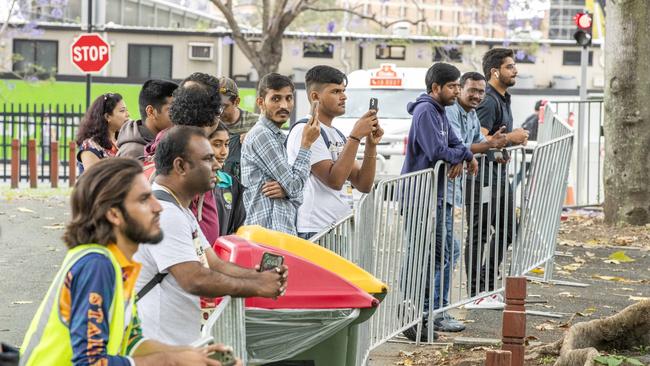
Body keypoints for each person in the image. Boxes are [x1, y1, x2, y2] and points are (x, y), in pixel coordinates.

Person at [20, 158, 236, 366]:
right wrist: (171, 360)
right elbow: (89, 362)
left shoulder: (119, 264)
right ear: (114, 214)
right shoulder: (96, 266)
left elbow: (132, 344)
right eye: (144, 199)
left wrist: (197, 354)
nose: (158, 207)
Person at [134, 126, 287, 345]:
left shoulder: (180, 210)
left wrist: (260, 277)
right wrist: (257, 286)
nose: (216, 165)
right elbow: (194, 278)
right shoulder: (167, 214)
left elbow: (214, 263)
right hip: (158, 346)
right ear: (180, 166)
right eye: (207, 159)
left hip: (175, 346)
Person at [400, 62, 477, 342]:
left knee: (446, 251)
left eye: (458, 85)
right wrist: (459, 156)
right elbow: (436, 151)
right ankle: (415, 309)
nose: (457, 91)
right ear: (435, 88)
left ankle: (432, 309)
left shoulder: (442, 112)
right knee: (425, 254)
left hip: (439, 196)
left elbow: (458, 145)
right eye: (453, 86)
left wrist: (462, 156)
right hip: (421, 197)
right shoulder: (425, 111)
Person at [286, 65, 383, 239]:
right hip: (316, 229)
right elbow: (335, 180)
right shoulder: (306, 129)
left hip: (338, 228)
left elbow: (363, 184)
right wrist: (355, 137)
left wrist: (370, 144)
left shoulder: (336, 133)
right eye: (336, 91)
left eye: (343, 91)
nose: (344, 96)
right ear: (315, 96)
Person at [465, 48, 529, 310]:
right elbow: (477, 139)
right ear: (495, 71)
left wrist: (502, 151)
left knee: (507, 230)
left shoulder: (503, 98)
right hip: (482, 179)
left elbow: (492, 142)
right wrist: (510, 138)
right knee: (479, 233)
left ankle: (488, 283)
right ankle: (475, 292)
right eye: (510, 67)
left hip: (498, 175)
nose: (515, 71)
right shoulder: (488, 100)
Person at [445, 71, 508, 327]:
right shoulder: (451, 112)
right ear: (459, 88)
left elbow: (479, 142)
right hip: (445, 189)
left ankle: (478, 291)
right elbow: (460, 145)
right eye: (472, 90)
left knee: (452, 249)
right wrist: (490, 146)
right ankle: (465, 297)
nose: (477, 96)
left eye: (481, 92)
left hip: (458, 188)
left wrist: (496, 148)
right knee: (450, 249)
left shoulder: (471, 113)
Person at [241, 73, 321, 235]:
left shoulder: (277, 136)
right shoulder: (262, 135)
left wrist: (289, 192)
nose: (284, 105)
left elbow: (294, 191)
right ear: (261, 102)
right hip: (267, 234)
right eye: (276, 99)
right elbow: (294, 186)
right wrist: (306, 144)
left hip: (279, 232)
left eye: (289, 98)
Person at [117, 79, 178, 160]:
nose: (179, 116)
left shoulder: (168, 142)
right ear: (151, 111)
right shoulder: (132, 153)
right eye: (173, 110)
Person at [207, 122, 246, 236]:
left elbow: (237, 229)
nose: (224, 152)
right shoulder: (190, 184)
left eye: (227, 144)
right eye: (217, 144)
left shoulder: (231, 184)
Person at [217, 76, 259, 180]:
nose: (219, 111)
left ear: (237, 101)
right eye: (215, 105)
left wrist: (254, 139)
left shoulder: (255, 123)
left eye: (224, 106)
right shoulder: (209, 123)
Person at [76, 93, 129, 174]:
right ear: (107, 116)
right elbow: (95, 179)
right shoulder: (90, 146)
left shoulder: (121, 141)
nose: (128, 114)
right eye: (122, 111)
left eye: (127, 110)